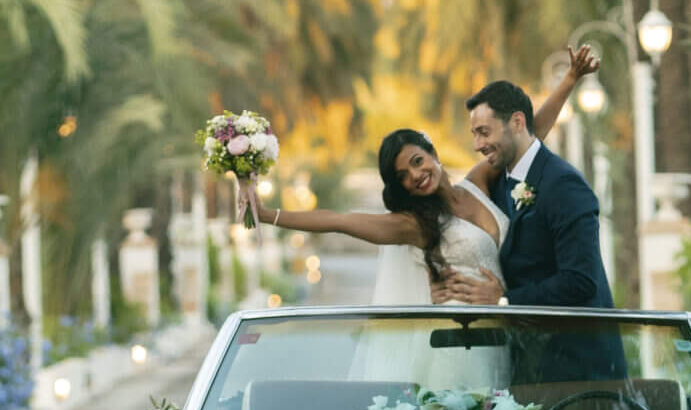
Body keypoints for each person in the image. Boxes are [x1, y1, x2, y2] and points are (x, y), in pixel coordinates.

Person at [234, 48, 596, 305]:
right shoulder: (416, 225)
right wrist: (267, 215)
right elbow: (339, 221)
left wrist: (569, 79)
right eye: (404, 176)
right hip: (460, 335)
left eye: (419, 161)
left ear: (434, 155)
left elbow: (528, 133)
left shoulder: (478, 183)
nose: (416, 176)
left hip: (509, 328)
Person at [441, 75, 614, 312]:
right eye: (475, 134)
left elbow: (581, 280)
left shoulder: (564, 184)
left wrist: (505, 300)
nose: (477, 145)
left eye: (484, 132)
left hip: (575, 344)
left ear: (517, 122)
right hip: (525, 344)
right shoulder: (498, 184)